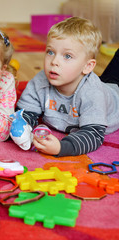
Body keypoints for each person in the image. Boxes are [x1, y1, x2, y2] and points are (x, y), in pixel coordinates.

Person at [15, 17, 119, 157]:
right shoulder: (40, 81)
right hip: (100, 84)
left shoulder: (93, 93)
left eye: (67, 56)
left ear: (88, 66)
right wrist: (22, 128)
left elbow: (93, 135)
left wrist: (62, 147)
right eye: (50, 52)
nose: (54, 62)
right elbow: (25, 113)